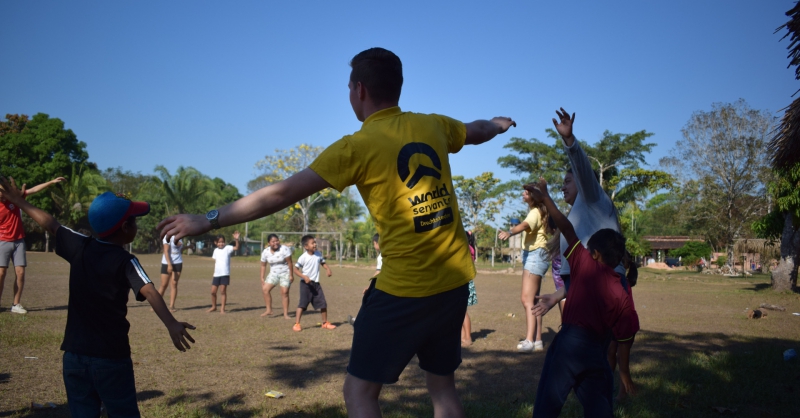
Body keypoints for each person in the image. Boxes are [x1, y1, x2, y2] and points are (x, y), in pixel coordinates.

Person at [157, 47, 515, 418]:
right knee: (442, 388)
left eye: (348, 87)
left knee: (359, 393)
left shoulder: (356, 147)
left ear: (359, 90)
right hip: (454, 282)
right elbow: (479, 131)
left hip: (404, 289)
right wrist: (499, 123)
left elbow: (279, 194)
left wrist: (209, 218)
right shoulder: (433, 125)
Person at [0, 180, 195, 417]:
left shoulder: (80, 246)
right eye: (134, 221)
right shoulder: (126, 260)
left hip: (74, 356)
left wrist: (19, 202)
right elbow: (150, 291)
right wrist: (171, 324)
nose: (136, 225)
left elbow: (51, 224)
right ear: (125, 227)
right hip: (112, 358)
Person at [528, 178, 639, 417]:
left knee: (548, 403)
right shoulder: (622, 290)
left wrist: (546, 197)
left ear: (595, 254)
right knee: (599, 404)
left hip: (569, 344)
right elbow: (624, 335)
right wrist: (624, 372)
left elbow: (566, 227)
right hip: (596, 351)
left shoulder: (585, 264)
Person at [498, 183, 551, 352]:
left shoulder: (535, 212)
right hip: (535, 254)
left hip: (536, 255)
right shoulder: (537, 211)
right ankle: (537, 340)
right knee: (534, 300)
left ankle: (529, 340)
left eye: (526, 192)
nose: (523, 194)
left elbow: (525, 225)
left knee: (526, 299)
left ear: (534, 196)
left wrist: (510, 232)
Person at [0, 176, 65, 314]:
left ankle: (16, 304)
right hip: (2, 241)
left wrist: (51, 182)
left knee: (21, 273)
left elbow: (34, 190)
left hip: (18, 241)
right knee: (1, 273)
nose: (2, 193)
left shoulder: (16, 198)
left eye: (3, 190)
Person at [607, 251, 639, 402]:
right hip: (615, 324)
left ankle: (625, 393)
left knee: (623, 364)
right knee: (610, 353)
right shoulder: (619, 278)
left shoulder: (619, 280)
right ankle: (606, 386)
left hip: (625, 324)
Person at [293, 235, 334, 331]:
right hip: (305, 284)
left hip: (316, 284)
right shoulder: (303, 257)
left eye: (315, 242)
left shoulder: (318, 254)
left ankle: (325, 323)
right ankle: (297, 324)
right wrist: (304, 276)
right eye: (312, 243)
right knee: (302, 304)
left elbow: (322, 263)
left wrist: (328, 269)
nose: (315, 244)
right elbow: (296, 270)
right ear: (306, 246)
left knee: (323, 303)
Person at [260, 234, 294, 318]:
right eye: (273, 241)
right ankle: (269, 310)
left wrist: (291, 275)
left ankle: (286, 314)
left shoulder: (285, 249)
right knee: (265, 289)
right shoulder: (265, 252)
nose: (275, 243)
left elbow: (290, 263)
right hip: (273, 273)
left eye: (277, 241)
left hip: (285, 273)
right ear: (269, 243)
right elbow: (263, 265)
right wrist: (262, 277)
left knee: (284, 292)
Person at [208, 232, 240, 314]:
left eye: (222, 242)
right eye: (219, 242)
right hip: (216, 274)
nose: (221, 243)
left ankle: (222, 308)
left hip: (225, 274)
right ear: (216, 243)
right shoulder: (215, 251)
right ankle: (214, 306)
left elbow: (236, 248)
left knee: (223, 291)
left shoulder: (228, 248)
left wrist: (236, 239)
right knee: (213, 292)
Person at [158, 236, 183, 312]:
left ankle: (172, 306)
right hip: (167, 263)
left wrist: (188, 246)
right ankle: (156, 305)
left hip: (178, 262)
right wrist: (169, 264)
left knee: (174, 284)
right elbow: (166, 251)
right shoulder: (167, 237)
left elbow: (178, 250)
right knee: (163, 285)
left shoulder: (180, 236)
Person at [461, 231, 477, 347]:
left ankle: (467, 337)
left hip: (464, 281)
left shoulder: (466, 248)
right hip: (466, 280)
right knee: (459, 311)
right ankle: (462, 336)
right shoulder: (471, 248)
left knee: (463, 311)